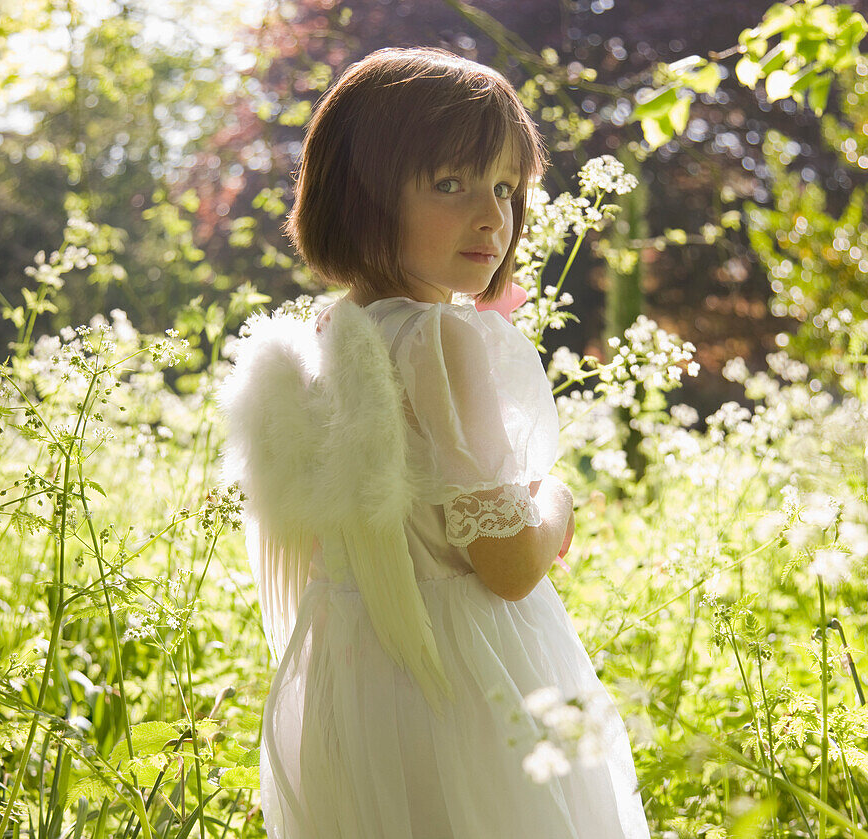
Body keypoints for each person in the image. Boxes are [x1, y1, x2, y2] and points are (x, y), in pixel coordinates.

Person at [219, 47, 649, 839]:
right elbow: (510, 565)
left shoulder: (324, 335)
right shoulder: (445, 342)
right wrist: (554, 500)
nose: (492, 217)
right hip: (464, 675)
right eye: (450, 185)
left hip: (355, 684)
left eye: (506, 188)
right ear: (362, 198)